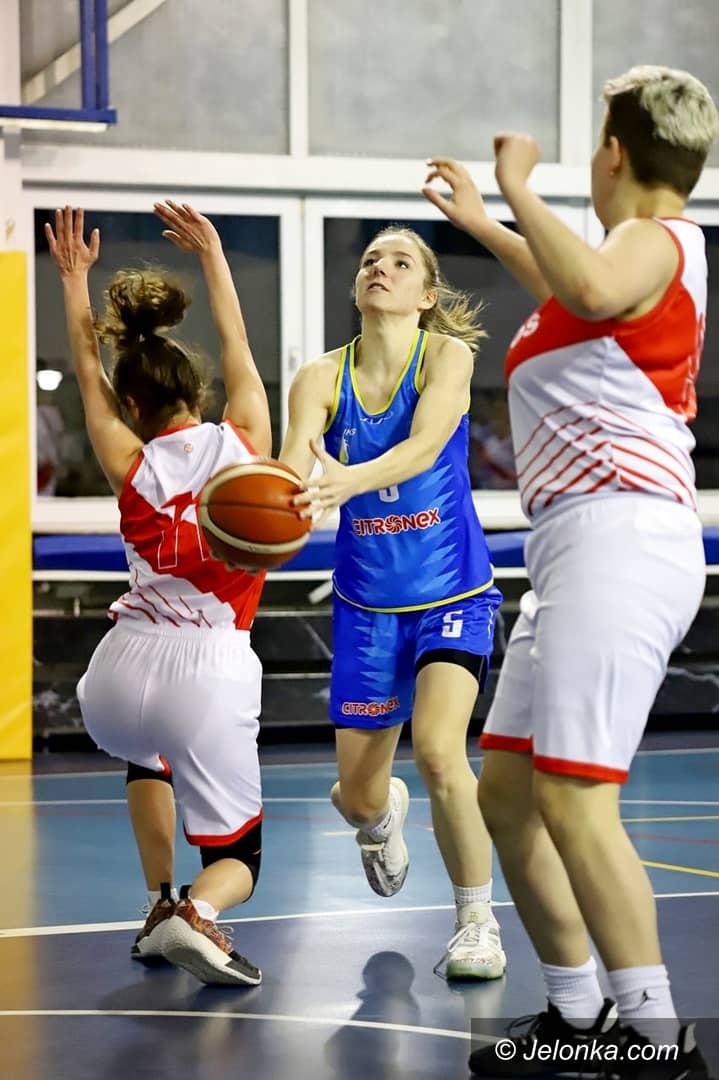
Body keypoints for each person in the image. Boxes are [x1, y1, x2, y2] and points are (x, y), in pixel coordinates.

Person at [423, 65, 718, 1078]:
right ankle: (577, 1013)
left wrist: (516, 184)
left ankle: (654, 1037)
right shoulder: (614, 272)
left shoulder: (656, 240)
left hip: (619, 541)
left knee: (578, 797)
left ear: (613, 154)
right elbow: (570, 284)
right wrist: (484, 222)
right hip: (574, 552)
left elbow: (586, 282)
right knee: (506, 794)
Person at [46, 200, 272, 986]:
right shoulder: (246, 443)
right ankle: (197, 913)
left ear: (135, 408)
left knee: (148, 756)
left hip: (116, 676)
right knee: (240, 856)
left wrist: (73, 279)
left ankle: (159, 903)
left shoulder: (129, 462)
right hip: (207, 667)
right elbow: (239, 345)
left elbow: (87, 371)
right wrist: (213, 255)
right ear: (198, 393)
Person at [281, 225, 506, 979]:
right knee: (355, 796)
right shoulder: (319, 378)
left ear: (426, 293)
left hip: (452, 590)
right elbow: (292, 470)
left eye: (400, 261)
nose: (381, 268)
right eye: (371, 260)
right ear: (358, 287)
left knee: (441, 751)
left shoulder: (446, 356)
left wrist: (347, 480)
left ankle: (477, 924)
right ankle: (379, 820)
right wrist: (271, 501)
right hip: (366, 606)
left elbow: (424, 445)